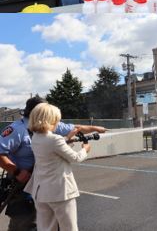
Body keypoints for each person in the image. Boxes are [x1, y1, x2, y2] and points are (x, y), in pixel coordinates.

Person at [0, 96, 106, 231]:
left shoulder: (46, 127)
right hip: (22, 181)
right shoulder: (16, 130)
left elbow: (76, 128)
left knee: (47, 224)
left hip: (41, 183)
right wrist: (16, 172)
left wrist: (96, 128)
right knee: (24, 222)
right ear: (41, 114)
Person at [24, 103, 89, 231]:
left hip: (40, 192)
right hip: (60, 193)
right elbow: (76, 158)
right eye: (56, 120)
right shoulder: (55, 140)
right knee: (69, 228)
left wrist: (67, 138)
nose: (57, 123)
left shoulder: (35, 137)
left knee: (46, 228)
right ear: (50, 120)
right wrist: (85, 150)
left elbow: (52, 150)